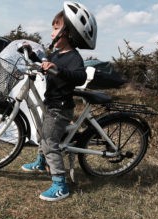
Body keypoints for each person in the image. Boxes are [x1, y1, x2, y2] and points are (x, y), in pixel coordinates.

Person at [21, 1, 97, 201]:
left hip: (60, 108)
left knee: (49, 141)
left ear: (69, 33)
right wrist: (32, 54)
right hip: (51, 103)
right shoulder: (56, 53)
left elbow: (79, 76)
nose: (52, 32)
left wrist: (59, 69)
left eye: (56, 28)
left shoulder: (74, 57)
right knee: (42, 132)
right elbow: (46, 62)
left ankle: (60, 185)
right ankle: (40, 161)